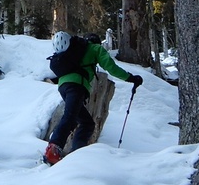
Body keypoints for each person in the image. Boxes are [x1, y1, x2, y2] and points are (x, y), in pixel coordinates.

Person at [44, 31, 143, 165]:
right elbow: (111, 67)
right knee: (70, 117)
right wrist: (130, 78)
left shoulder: (75, 49)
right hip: (77, 86)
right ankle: (53, 150)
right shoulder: (95, 49)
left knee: (86, 122)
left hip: (63, 86)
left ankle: (77, 153)